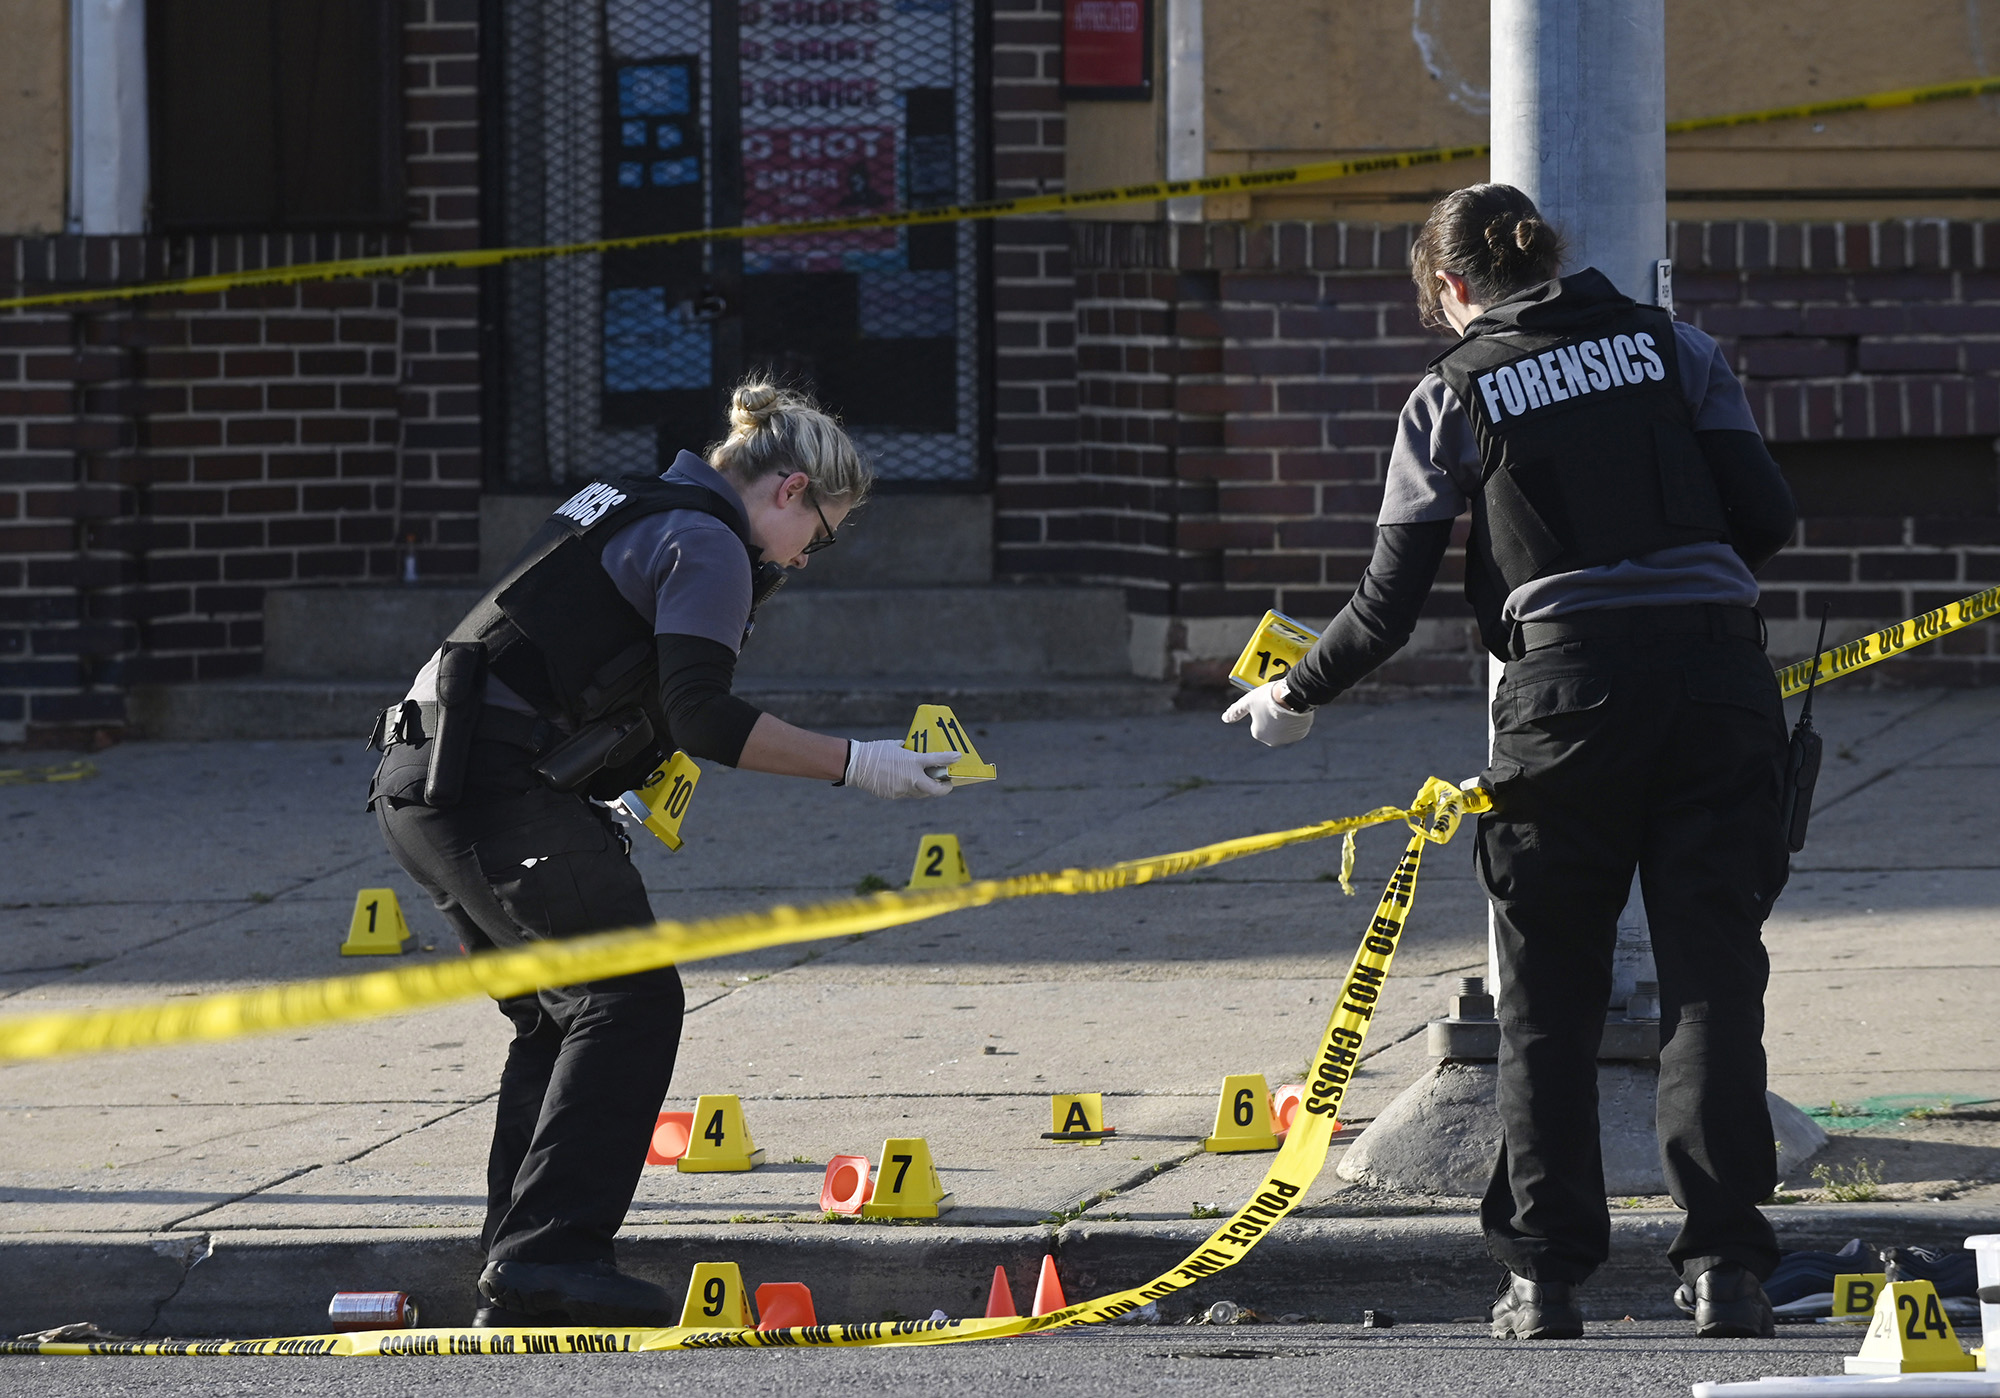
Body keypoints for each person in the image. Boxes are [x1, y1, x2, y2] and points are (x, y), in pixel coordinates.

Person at [1223, 184, 1799, 1340]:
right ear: (1547, 254)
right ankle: (1727, 1268)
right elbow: (1764, 520)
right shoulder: (1673, 346)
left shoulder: (1450, 391)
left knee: (1546, 997)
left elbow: (1386, 606)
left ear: (1448, 289)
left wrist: (1292, 692)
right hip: (1715, 686)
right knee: (1710, 980)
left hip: (1561, 701)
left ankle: (1544, 1280)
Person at [367, 380, 955, 1327]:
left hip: (425, 783)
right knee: (627, 997)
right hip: (489, 791)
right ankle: (551, 1262)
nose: (805, 560)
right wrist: (859, 765)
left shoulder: (632, 500)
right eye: (821, 534)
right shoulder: (711, 539)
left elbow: (571, 663)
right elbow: (706, 715)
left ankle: (520, 1264)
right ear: (790, 489)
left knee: (563, 1020)